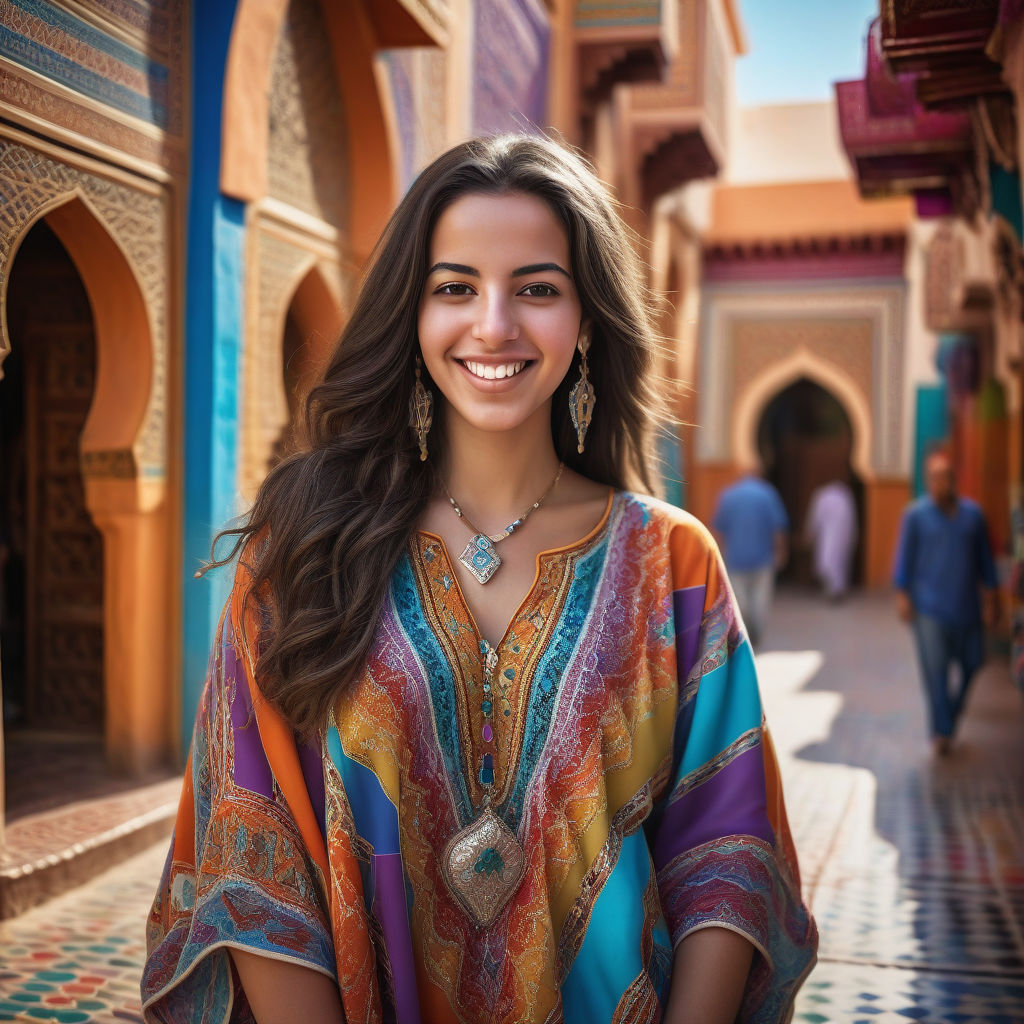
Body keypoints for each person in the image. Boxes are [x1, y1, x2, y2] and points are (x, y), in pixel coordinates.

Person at [142, 135, 815, 1024]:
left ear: (585, 319)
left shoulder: (670, 564)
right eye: (454, 287)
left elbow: (726, 853)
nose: (493, 324)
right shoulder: (301, 550)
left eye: (537, 288)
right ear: (412, 314)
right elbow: (251, 847)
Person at [894, 451, 1000, 756]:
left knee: (974, 662)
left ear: (955, 479)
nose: (941, 484)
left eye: (946, 477)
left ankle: (949, 716)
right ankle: (941, 732)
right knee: (936, 670)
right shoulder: (915, 516)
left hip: (967, 606)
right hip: (929, 609)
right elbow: (905, 560)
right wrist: (903, 596)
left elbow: (986, 563)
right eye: (934, 478)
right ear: (928, 482)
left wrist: (991, 600)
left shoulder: (974, 516)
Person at [711, 471, 788, 646]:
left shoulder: (728, 495)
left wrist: (718, 557)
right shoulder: (767, 494)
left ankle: (747, 635)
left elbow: (718, 529)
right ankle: (756, 637)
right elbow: (778, 528)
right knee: (760, 602)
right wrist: (781, 552)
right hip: (763, 559)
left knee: (740, 603)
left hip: (735, 559)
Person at [805, 479, 858, 601]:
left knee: (829, 562)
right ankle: (834, 590)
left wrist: (811, 531)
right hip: (838, 536)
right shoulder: (843, 497)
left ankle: (834, 590)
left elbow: (815, 516)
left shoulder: (825, 496)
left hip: (831, 536)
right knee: (835, 563)